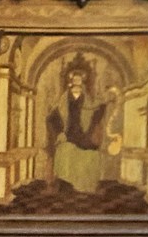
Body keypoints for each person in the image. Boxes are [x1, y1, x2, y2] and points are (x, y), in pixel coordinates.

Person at [46, 65, 120, 195]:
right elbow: (54, 115)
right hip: (68, 130)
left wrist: (106, 103)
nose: (77, 81)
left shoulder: (87, 97)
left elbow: (93, 108)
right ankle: (65, 184)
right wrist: (60, 132)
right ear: (71, 80)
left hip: (82, 130)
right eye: (75, 79)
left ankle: (88, 185)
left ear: (82, 81)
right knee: (64, 150)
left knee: (91, 153)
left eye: (79, 79)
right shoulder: (65, 97)